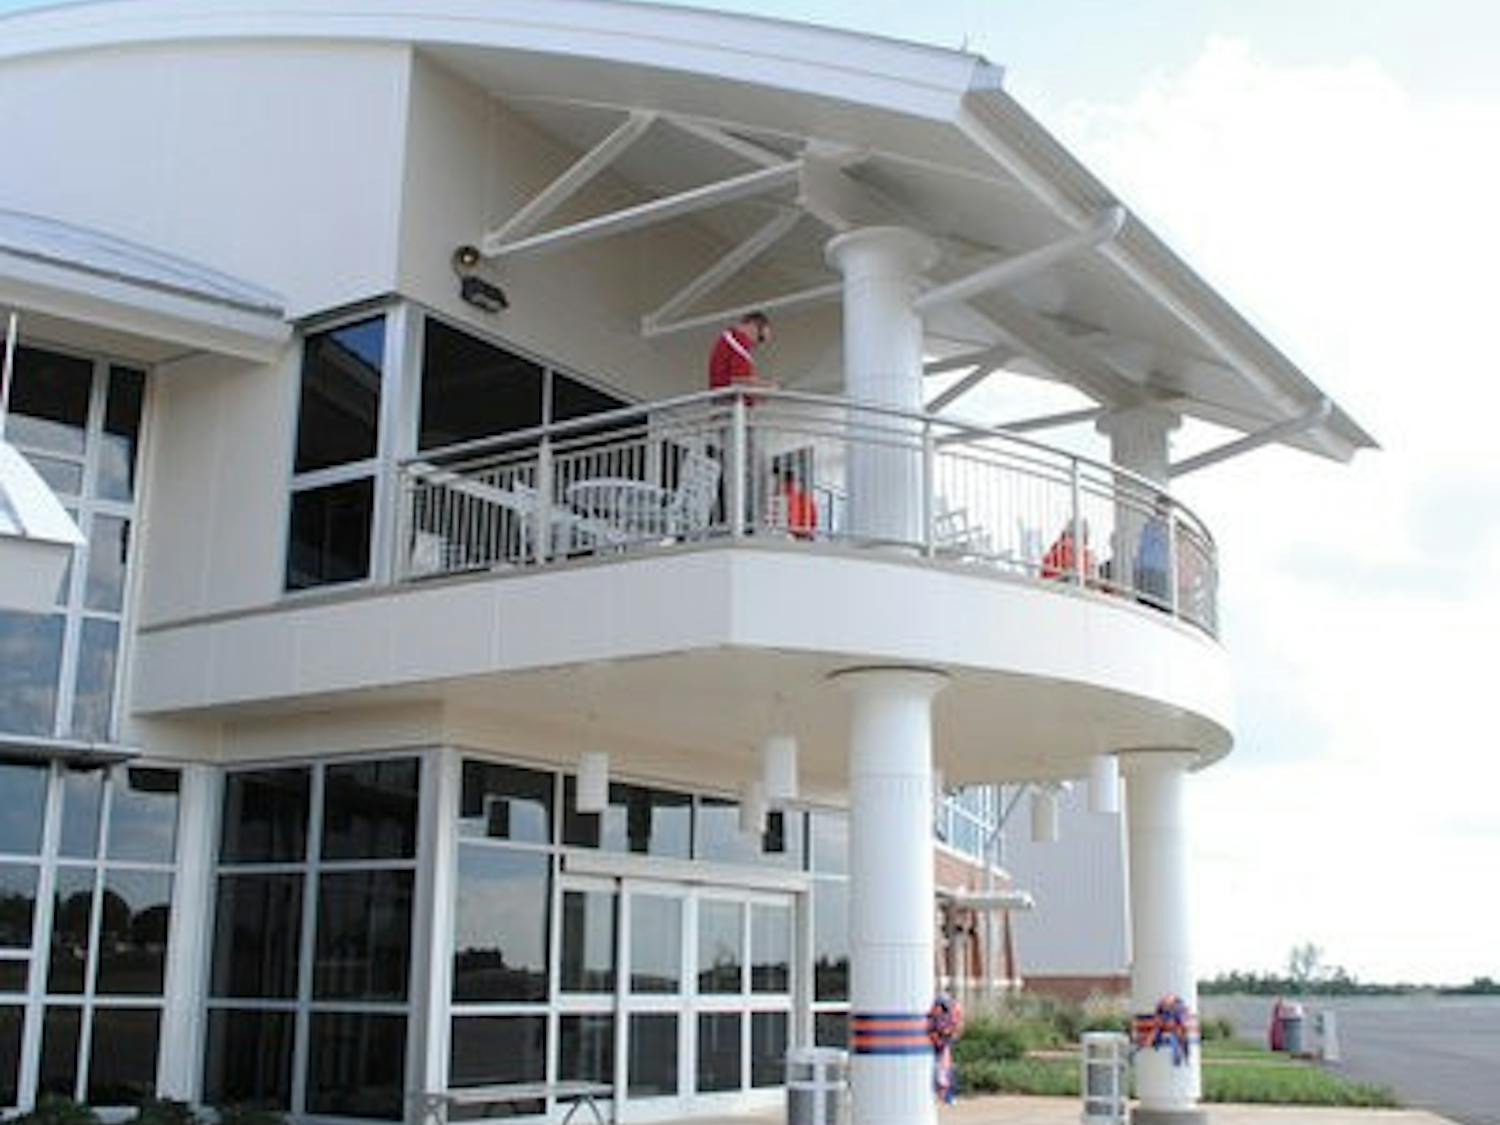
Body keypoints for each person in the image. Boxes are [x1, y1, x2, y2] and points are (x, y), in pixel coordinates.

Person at [708, 311, 773, 390]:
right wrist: (766, 385)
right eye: (760, 338)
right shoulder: (736, 341)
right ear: (752, 326)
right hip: (729, 398)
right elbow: (739, 380)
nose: (757, 345)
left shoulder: (730, 340)